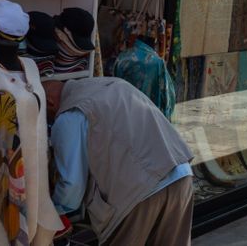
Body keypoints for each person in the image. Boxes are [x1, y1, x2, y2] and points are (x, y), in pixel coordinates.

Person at [45, 77, 194, 246]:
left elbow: (72, 188)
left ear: (49, 103)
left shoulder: (69, 115)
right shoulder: (114, 84)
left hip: (138, 193)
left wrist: (51, 212)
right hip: (180, 172)